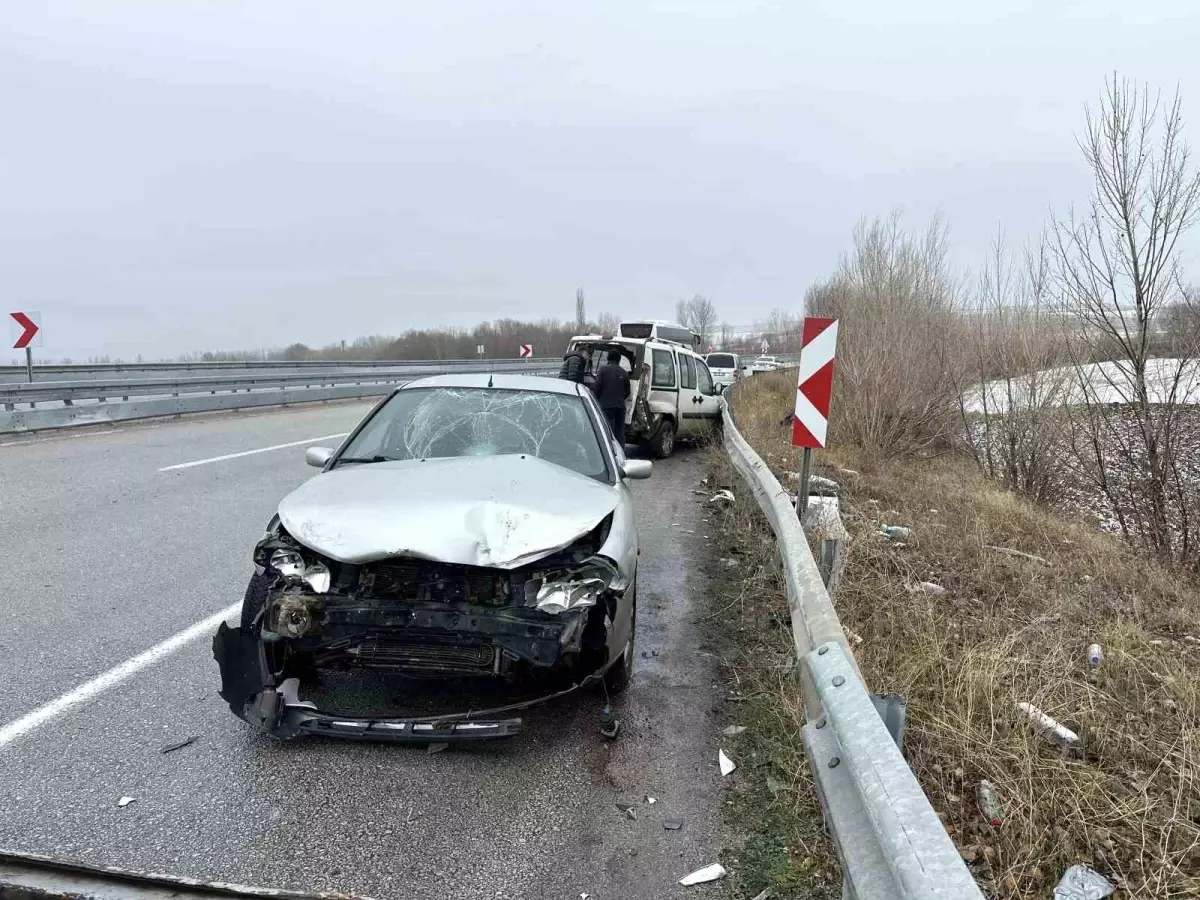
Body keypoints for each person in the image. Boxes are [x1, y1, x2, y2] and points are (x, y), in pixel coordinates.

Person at [592, 349, 631, 446]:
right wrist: (620, 397)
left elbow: (597, 387)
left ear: (608, 358)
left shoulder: (603, 370)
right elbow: (628, 392)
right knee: (619, 433)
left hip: (606, 406)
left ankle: (609, 453)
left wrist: (597, 400)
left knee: (607, 431)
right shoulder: (624, 373)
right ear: (619, 360)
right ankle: (621, 453)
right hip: (620, 407)